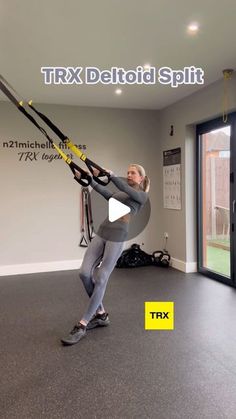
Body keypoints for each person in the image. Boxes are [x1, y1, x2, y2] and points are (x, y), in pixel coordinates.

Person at [61, 164, 150, 345]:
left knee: (101, 278)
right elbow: (106, 193)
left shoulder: (141, 196)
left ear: (141, 178)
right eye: (128, 172)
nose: (129, 175)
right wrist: (88, 179)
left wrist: (112, 176)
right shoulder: (121, 193)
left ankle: (83, 324)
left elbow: (123, 186)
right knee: (84, 273)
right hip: (102, 233)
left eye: (133, 173)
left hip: (117, 237)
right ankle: (101, 314)